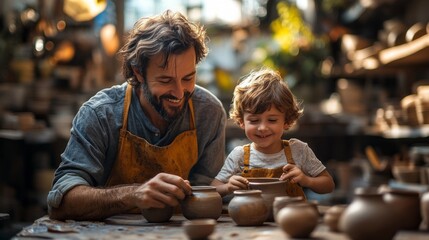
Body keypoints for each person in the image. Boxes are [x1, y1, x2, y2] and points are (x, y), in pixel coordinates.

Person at [47, 10, 227, 221]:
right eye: (165, 80)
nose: (179, 93)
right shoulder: (101, 114)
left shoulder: (209, 113)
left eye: (188, 78)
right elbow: (61, 202)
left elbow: (207, 193)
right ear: (139, 72)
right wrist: (133, 195)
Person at [211, 68, 334, 198]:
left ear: (286, 121)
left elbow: (328, 185)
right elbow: (214, 189)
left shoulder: (299, 150)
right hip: (251, 217)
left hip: (289, 217)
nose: (263, 127)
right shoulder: (239, 155)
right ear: (242, 121)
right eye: (254, 120)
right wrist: (228, 187)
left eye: (272, 120)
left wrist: (306, 180)